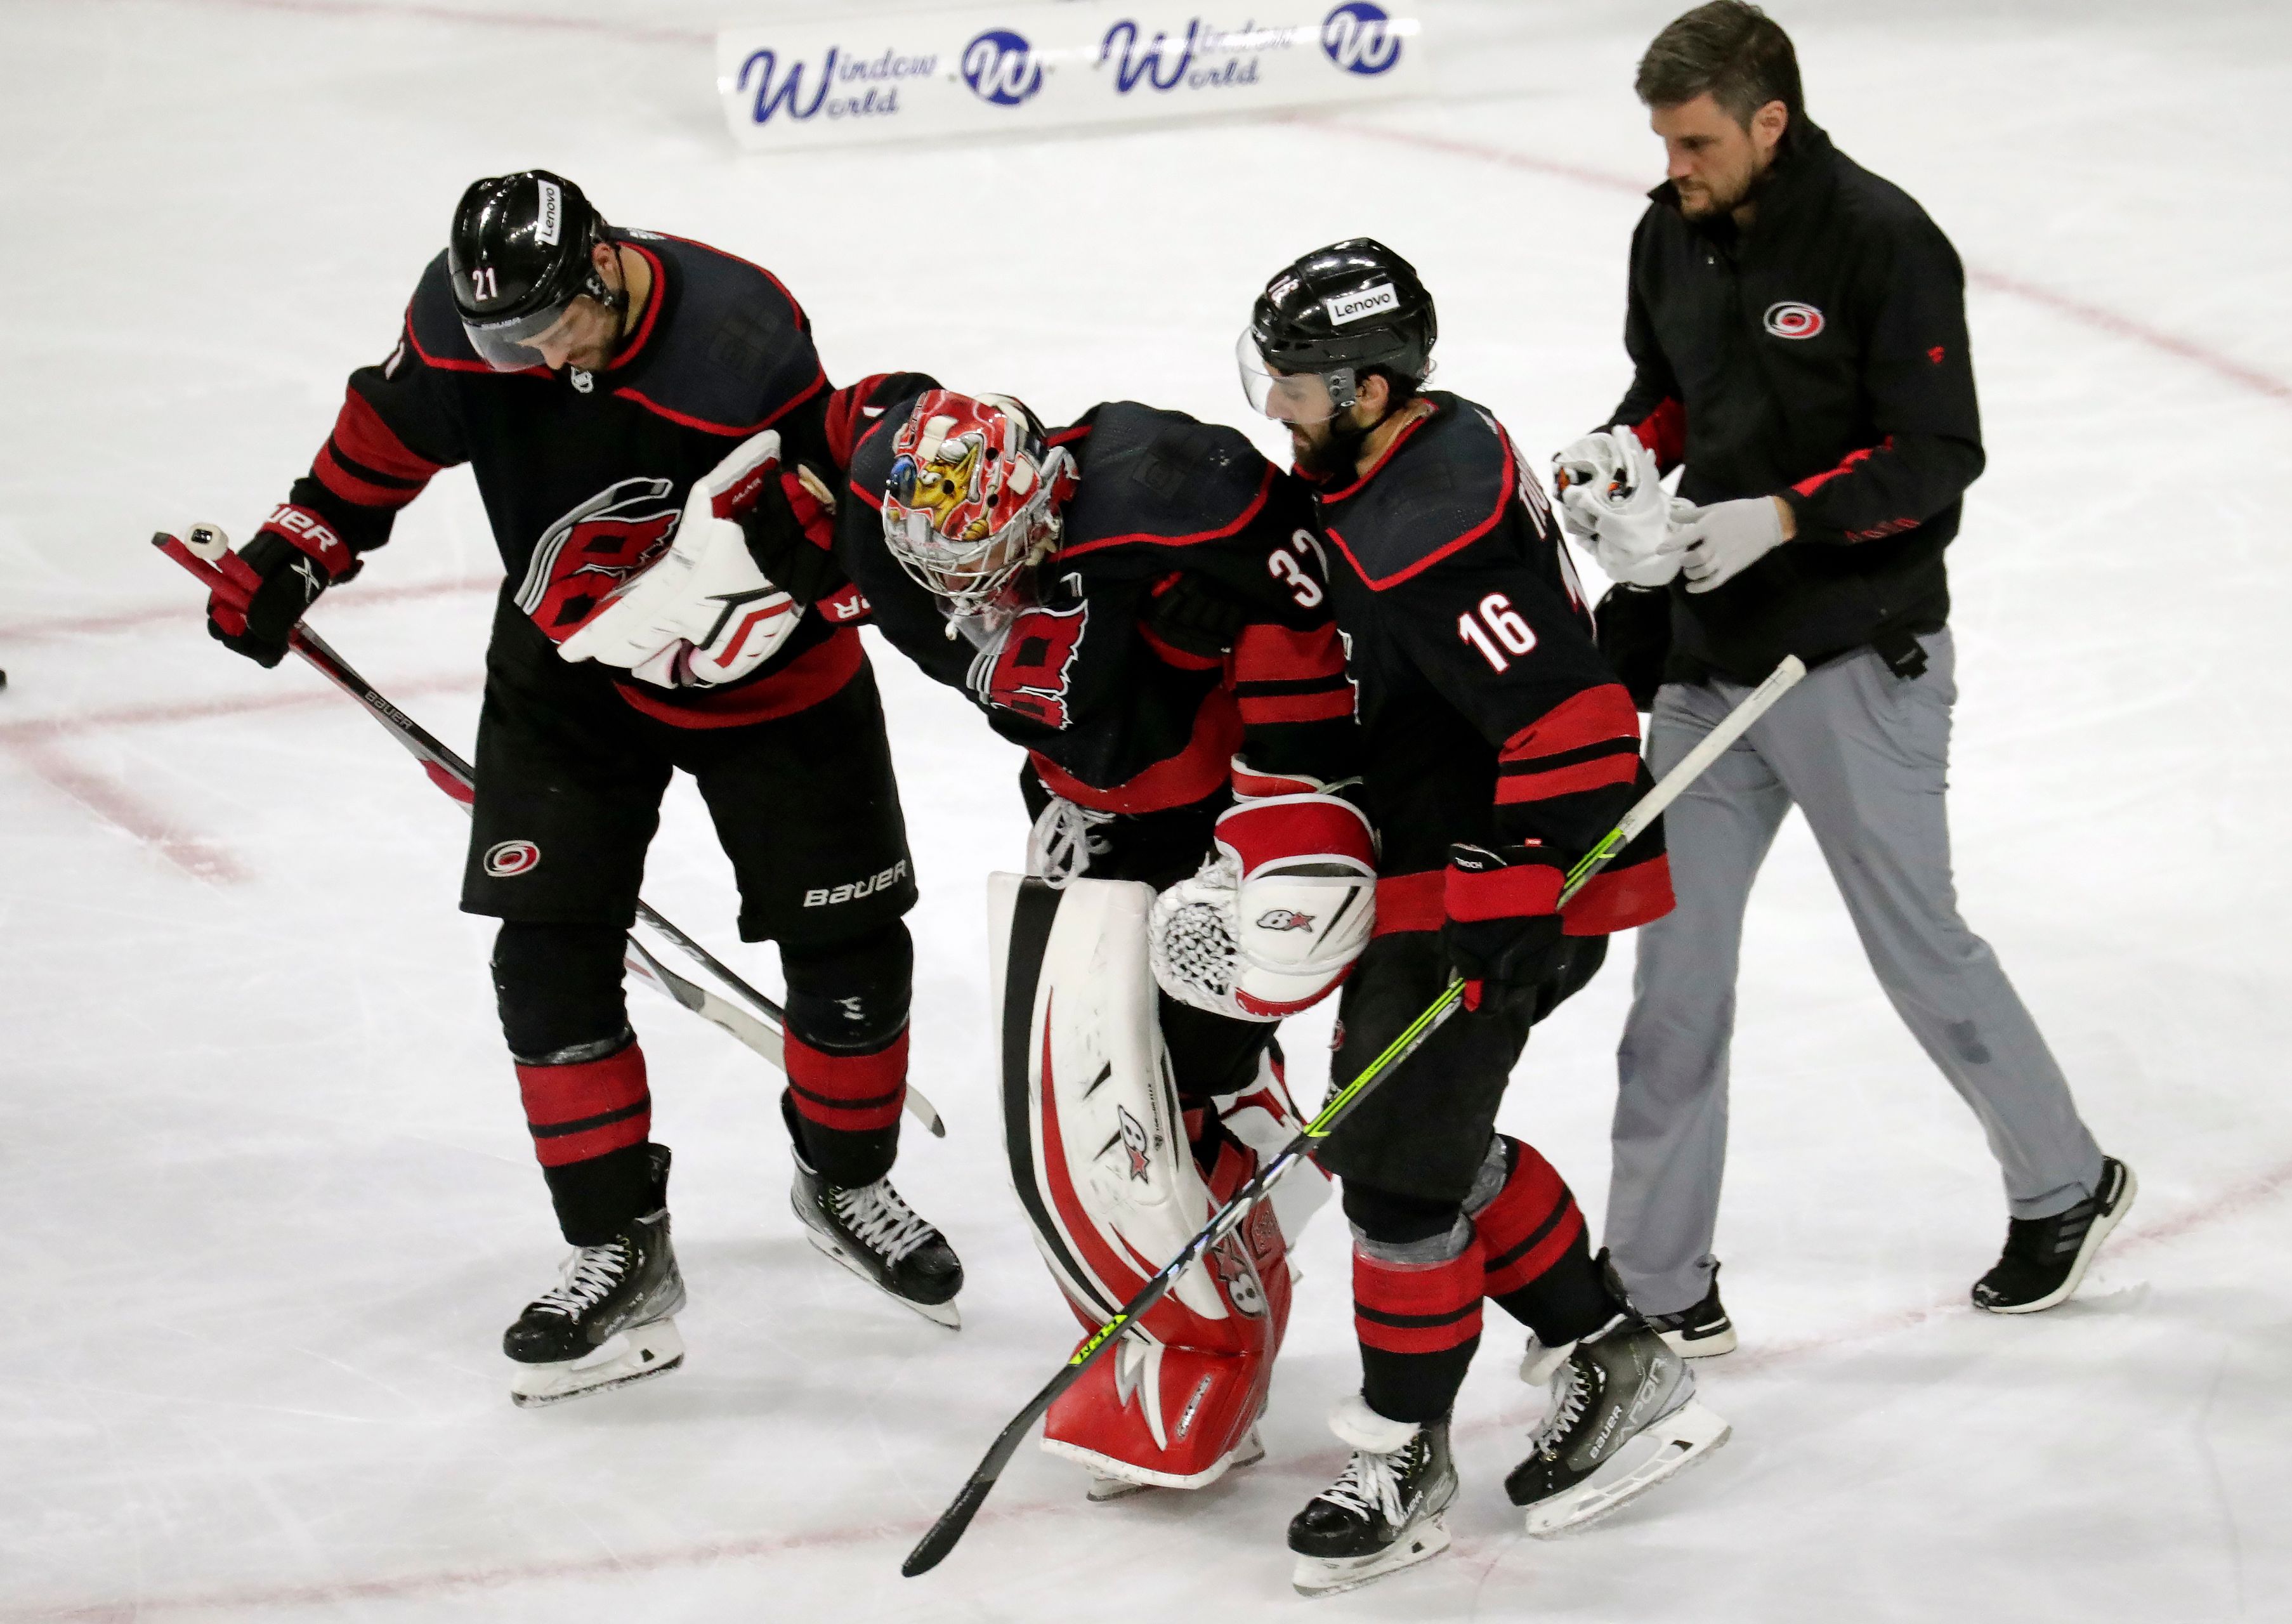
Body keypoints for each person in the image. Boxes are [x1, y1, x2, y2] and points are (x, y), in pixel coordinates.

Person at [195, 171, 960, 1408]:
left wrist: (778, 605)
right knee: (546, 962)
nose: (530, 354)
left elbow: (823, 507)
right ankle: (619, 1245)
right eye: (503, 335)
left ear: (601, 265)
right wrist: (293, 551)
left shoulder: (737, 334)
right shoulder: (468, 329)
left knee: (855, 953)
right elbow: (375, 448)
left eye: (546, 323)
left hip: (768, 675)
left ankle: (844, 1177)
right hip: (568, 676)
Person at [1562, 3, 2131, 1354]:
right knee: (1674, 983)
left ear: (1772, 120)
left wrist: (1785, 516)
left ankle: (2066, 1181)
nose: (1673, 162)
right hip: (1712, 663)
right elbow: (1670, 389)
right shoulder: (1669, 229)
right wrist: (1619, 450)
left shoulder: (1884, 238)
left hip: (1855, 660)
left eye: (1695, 139)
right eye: (1660, 138)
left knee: (1917, 949)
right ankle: (1656, 1281)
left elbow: (1938, 453)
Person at [739, 372, 1368, 1499]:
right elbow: (836, 406)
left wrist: (1256, 696)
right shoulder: (894, 507)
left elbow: (1330, 600)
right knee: (1080, 1091)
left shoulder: (1170, 488)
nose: (964, 589)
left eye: (991, 557)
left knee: (1167, 1083)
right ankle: (1180, 1302)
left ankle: (1219, 1321)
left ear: (1047, 501)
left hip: (1219, 812)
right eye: (939, 563)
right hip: (1081, 803)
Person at [1238, 239, 1719, 1597]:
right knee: (1410, 1135)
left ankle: (1404, 1451)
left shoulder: (1425, 523)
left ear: (1376, 385)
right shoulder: (1412, 453)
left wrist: (1511, 894)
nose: (1280, 409)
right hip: (1442, 856)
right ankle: (1618, 1355)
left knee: (1394, 1164)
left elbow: (1566, 715)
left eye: (1303, 387)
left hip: (1510, 877)